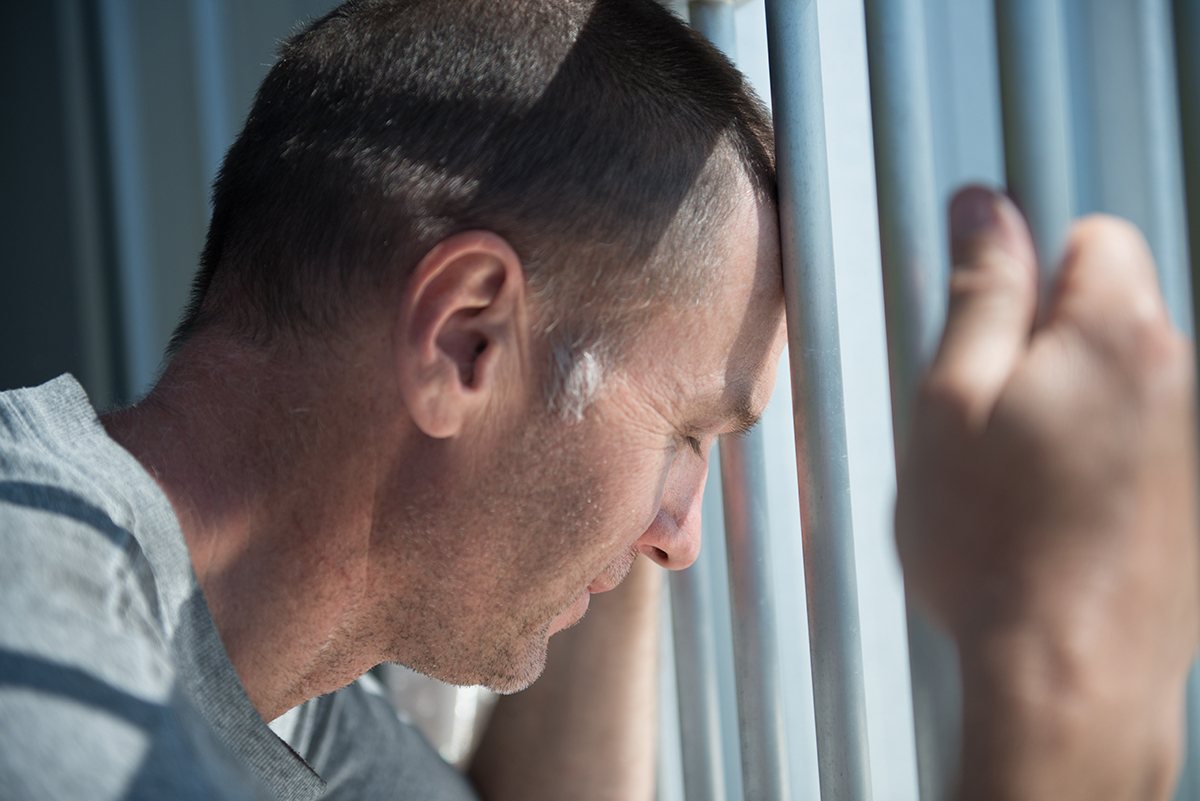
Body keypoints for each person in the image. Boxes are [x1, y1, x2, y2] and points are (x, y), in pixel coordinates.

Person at [0, 3, 1193, 801]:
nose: (683, 537)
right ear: (466, 338)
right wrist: (1060, 689)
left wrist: (598, 453)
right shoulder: (55, 692)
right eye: (688, 433)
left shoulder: (293, 690)